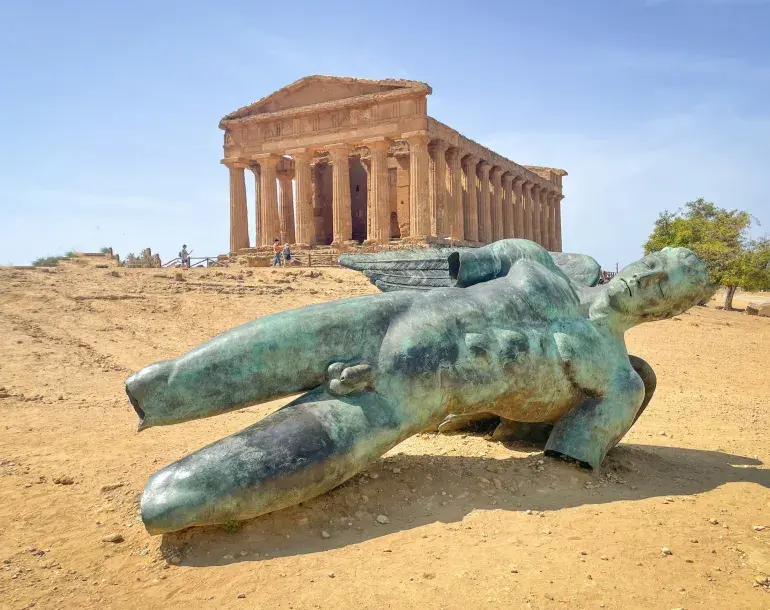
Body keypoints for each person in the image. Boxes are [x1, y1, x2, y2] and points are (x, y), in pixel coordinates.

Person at [126, 240, 714, 534]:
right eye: (656, 263)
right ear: (644, 256)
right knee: (167, 383)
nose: (649, 279)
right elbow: (442, 266)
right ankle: (161, 399)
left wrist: (515, 420)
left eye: (667, 288)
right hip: (380, 319)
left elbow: (556, 451)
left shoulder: (618, 381)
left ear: (668, 312)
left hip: (406, 399)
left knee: (175, 501)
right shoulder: (538, 259)